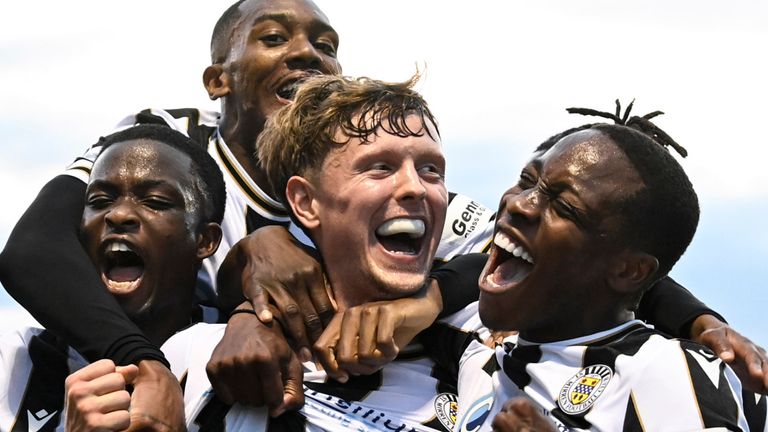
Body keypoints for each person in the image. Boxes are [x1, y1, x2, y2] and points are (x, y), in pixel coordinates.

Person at [0, 0, 764, 421]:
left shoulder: (488, 358)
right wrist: (195, 329)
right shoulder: (166, 146)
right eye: (272, 36)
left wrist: (699, 322)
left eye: (326, 43)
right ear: (218, 79)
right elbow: (31, 249)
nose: (306, 53)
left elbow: (578, 255)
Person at [420, 106, 768, 431]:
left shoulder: (662, 369)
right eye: (527, 181)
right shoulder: (480, 356)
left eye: (566, 208)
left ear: (630, 271)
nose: (520, 205)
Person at [162, 73, 472, 432]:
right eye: (380, 167)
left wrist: (431, 300)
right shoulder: (204, 357)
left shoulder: (483, 352)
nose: (415, 187)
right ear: (306, 202)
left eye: (430, 169)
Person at [0, 124, 226, 431]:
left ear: (205, 241)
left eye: (155, 201)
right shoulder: (12, 364)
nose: (118, 215)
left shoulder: (240, 357)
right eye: (99, 201)